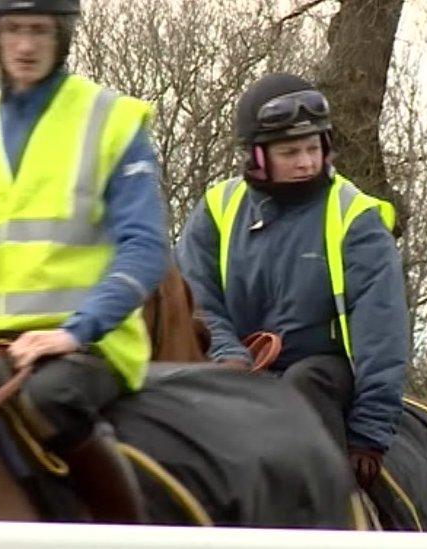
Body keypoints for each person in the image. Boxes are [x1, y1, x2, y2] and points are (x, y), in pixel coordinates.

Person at [0, 0, 167, 523]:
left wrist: (75, 331)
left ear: (62, 36)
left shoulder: (111, 119)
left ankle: (124, 529)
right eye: (14, 30)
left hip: (82, 346)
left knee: (49, 401)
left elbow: (145, 248)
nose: (25, 46)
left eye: (39, 31)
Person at [175, 73, 409, 490]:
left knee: (305, 383)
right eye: (290, 152)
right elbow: (196, 298)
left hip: (323, 373)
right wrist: (229, 357)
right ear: (257, 156)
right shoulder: (216, 208)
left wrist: (370, 431)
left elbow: (381, 327)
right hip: (236, 370)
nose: (305, 162)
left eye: (312, 148)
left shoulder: (355, 217)